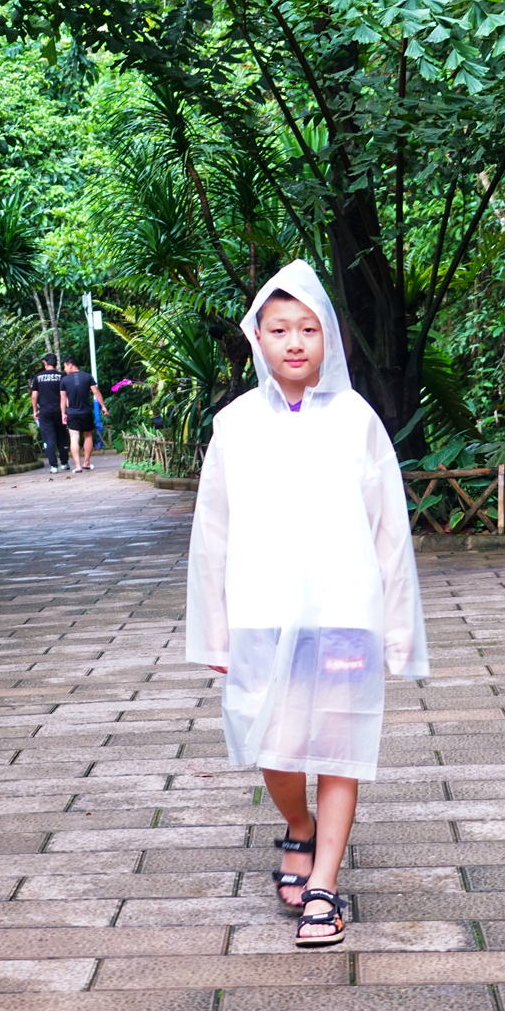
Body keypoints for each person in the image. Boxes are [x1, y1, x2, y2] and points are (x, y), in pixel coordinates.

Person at [185, 260, 427, 949]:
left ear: (328, 340)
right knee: (274, 744)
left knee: (342, 746)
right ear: (257, 338)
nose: (295, 342)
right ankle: (298, 824)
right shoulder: (234, 426)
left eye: (309, 328)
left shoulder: (357, 421)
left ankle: (324, 883)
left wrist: (400, 634)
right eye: (280, 329)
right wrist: (217, 637)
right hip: (260, 613)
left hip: (346, 612)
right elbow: (213, 537)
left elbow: (389, 534)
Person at [60, 358, 105, 473]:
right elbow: (96, 392)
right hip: (86, 412)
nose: (64, 369)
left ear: (70, 365)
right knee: (88, 436)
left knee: (74, 438)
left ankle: (78, 466)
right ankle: (87, 463)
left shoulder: (64, 380)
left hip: (72, 413)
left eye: (65, 366)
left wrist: (63, 413)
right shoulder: (88, 377)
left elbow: (63, 398)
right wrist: (103, 407)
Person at [31, 355, 66, 473]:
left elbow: (34, 395)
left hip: (45, 411)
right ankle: (64, 463)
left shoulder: (38, 377)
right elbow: (65, 395)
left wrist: (35, 410)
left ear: (45, 363)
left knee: (49, 439)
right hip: (59, 410)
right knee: (61, 436)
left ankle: (53, 466)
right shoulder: (61, 376)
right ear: (56, 364)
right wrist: (65, 411)